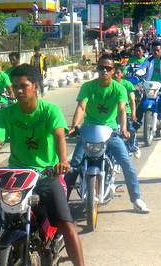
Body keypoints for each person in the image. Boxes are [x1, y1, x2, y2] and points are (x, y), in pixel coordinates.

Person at [0, 64, 84, 266]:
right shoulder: (6, 114)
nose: (19, 91)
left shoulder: (51, 111)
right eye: (15, 87)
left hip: (46, 175)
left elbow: (60, 136)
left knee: (66, 225)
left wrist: (62, 162)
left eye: (23, 86)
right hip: (15, 177)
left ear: (35, 86)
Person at [64, 54, 150, 213]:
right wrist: (74, 126)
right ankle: (62, 204)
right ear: (97, 68)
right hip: (88, 131)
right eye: (101, 67)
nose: (104, 71)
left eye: (108, 68)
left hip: (111, 132)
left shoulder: (119, 89)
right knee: (74, 165)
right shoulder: (88, 87)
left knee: (127, 164)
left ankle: (136, 198)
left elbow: (122, 109)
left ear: (113, 71)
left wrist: (123, 129)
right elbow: (81, 108)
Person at [113, 64, 140, 158]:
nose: (115, 75)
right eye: (114, 73)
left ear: (122, 74)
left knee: (130, 129)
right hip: (112, 112)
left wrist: (133, 113)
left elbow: (132, 100)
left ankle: (133, 145)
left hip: (126, 111)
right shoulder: (109, 84)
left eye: (118, 73)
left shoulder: (127, 84)